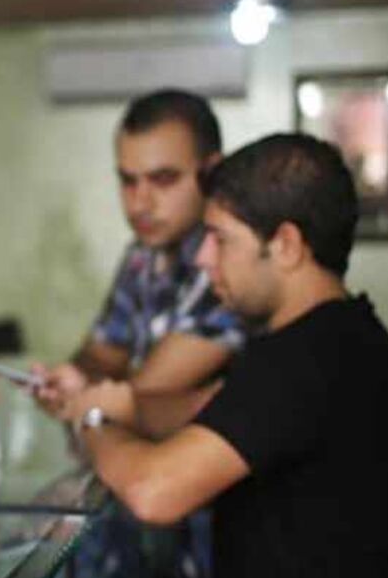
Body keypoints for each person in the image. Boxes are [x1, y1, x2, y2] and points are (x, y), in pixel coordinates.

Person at [65, 133, 388, 578]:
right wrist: (120, 401)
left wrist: (94, 420)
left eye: (220, 238)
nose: (202, 258)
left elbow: (154, 492)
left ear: (285, 245)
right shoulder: (337, 337)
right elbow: (211, 410)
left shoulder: (305, 359)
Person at [34, 89, 243, 410]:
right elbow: (102, 356)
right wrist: (70, 379)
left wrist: (86, 394)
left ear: (212, 172)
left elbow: (144, 395)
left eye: (163, 179)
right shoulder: (141, 257)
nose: (139, 203)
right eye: (128, 181)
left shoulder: (232, 259)